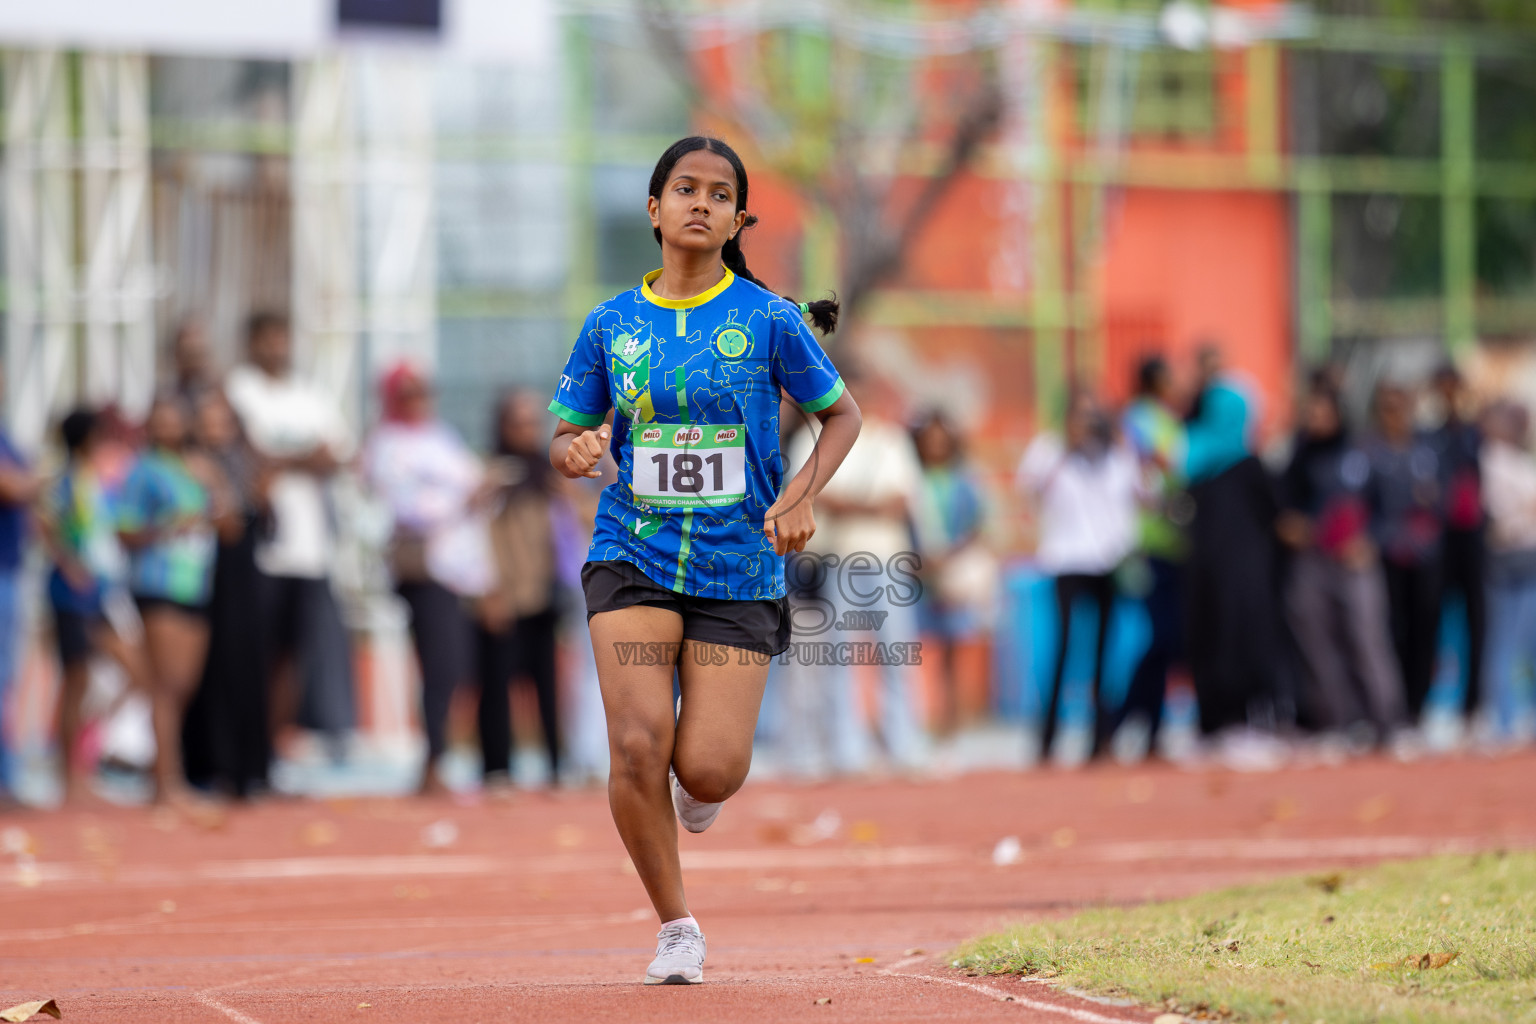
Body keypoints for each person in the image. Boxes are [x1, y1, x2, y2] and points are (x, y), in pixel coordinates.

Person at [546, 135, 859, 985]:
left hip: (736, 569)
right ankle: (676, 925)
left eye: (720, 195)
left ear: (736, 218)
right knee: (638, 745)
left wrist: (798, 498)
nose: (701, 204)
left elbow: (842, 418)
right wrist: (572, 451)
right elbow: (569, 433)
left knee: (710, 767)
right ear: (654, 210)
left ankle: (699, 791)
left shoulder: (768, 319)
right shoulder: (611, 324)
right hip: (631, 553)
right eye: (684, 189)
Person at [787, 368, 928, 774]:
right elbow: (810, 496)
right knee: (840, 655)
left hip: (887, 559)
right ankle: (846, 750)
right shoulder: (811, 437)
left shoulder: (891, 439)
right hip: (839, 558)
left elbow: (901, 501)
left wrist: (847, 504)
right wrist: (867, 506)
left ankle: (904, 745)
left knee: (896, 652)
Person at [225, 312, 356, 752]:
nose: (277, 346)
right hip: (261, 544)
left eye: (282, 337)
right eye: (268, 338)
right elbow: (250, 454)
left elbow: (337, 456)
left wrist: (284, 458)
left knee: (294, 655)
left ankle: (271, 749)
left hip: (310, 547)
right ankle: (246, 749)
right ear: (252, 342)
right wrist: (304, 456)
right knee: (253, 653)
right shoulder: (239, 390)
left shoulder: (310, 394)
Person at [363, 362, 487, 796]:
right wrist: (462, 501)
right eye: (410, 393)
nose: (419, 401)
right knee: (440, 665)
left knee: (457, 666)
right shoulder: (387, 444)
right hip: (425, 568)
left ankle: (441, 756)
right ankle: (433, 761)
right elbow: (406, 509)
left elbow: (473, 480)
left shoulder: (440, 436)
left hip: (461, 569)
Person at [1276, 377, 1404, 740]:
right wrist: (1291, 525)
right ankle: (1336, 719)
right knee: (1317, 644)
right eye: (1308, 411)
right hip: (1312, 560)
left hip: (1354, 561)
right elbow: (1284, 506)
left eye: (1320, 411)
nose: (1313, 418)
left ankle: (1386, 720)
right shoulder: (1299, 454)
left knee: (1366, 639)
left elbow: (1387, 508)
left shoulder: (1361, 453)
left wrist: (1370, 541)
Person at [1016, 388, 1140, 763]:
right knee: (1063, 650)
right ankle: (1047, 739)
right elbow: (1029, 490)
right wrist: (1065, 452)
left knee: (1106, 651)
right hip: (1066, 560)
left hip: (1108, 562)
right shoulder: (1049, 450)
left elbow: (1143, 493)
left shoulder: (1117, 455)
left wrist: (1122, 442)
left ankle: (1101, 739)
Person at [116, 396, 225, 806]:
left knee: (183, 687)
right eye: (159, 421)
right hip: (157, 582)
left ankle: (164, 773)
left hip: (194, 583)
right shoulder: (142, 472)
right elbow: (123, 530)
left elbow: (225, 520)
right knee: (164, 685)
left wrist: (214, 487)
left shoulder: (195, 468)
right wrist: (165, 529)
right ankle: (165, 782)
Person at [38, 409, 149, 804]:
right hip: (74, 592)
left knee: (137, 671)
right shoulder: (67, 480)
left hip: (101, 591)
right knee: (76, 680)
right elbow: (47, 521)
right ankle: (71, 779)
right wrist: (68, 562)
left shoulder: (94, 479)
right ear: (85, 439)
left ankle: (81, 756)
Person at [1181, 347, 1284, 746]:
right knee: (1236, 640)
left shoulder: (1194, 461)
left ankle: (1219, 722)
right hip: (1242, 577)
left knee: (1217, 641)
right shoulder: (1249, 465)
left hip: (1208, 573)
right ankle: (1234, 721)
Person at [181, 389, 274, 799]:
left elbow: (259, 525)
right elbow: (224, 521)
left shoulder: (245, 465)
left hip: (245, 580)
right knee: (210, 672)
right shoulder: (191, 467)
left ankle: (251, 768)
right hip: (204, 580)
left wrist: (264, 497)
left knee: (248, 671)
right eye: (207, 422)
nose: (215, 430)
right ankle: (213, 765)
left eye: (222, 422)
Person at [478, 390, 567, 789]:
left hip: (544, 595)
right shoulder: (492, 477)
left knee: (548, 687)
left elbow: (575, 529)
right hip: (503, 598)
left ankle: (555, 767)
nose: (529, 431)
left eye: (535, 422)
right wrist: (488, 589)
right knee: (496, 685)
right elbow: (477, 535)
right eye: (520, 422)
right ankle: (497, 767)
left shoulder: (548, 476)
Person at [1106, 355, 1189, 757]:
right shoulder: (1138, 418)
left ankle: (1147, 729)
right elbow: (1156, 466)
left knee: (1168, 641)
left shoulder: (1168, 419)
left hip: (1174, 543)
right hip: (1147, 543)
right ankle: (1120, 720)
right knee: (1162, 637)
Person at [911, 408, 995, 736]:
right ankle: (923, 716)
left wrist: (951, 555)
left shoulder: (964, 480)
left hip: (952, 571)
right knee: (916, 645)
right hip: (918, 571)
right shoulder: (912, 476)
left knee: (952, 644)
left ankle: (953, 717)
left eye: (941, 440)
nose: (936, 446)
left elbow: (978, 523)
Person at [1364, 381, 1443, 724]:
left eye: (1400, 408)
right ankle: (1391, 707)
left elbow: (1441, 501)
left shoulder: (1425, 451)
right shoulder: (1370, 453)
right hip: (1388, 552)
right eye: (1387, 409)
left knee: (1424, 629)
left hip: (1423, 555)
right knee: (1389, 630)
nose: (1395, 416)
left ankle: (1419, 706)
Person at [1428, 363, 1486, 726]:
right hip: (1439, 536)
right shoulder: (1429, 436)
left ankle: (1473, 705)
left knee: (1476, 618)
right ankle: (1433, 700)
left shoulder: (1474, 434)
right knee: (1432, 616)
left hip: (1472, 536)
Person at [1475, 401, 1536, 744]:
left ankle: (1512, 716)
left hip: (1528, 556)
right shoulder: (1488, 460)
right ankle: (1502, 718)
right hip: (1507, 559)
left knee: (1524, 641)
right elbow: (1500, 516)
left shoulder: (1520, 460)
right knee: (1506, 641)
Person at [0, 365, 40, 806]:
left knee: (7, 678)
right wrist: (32, 482)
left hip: (11, 566)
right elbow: (12, 486)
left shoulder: (6, 432)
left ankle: (7, 774)